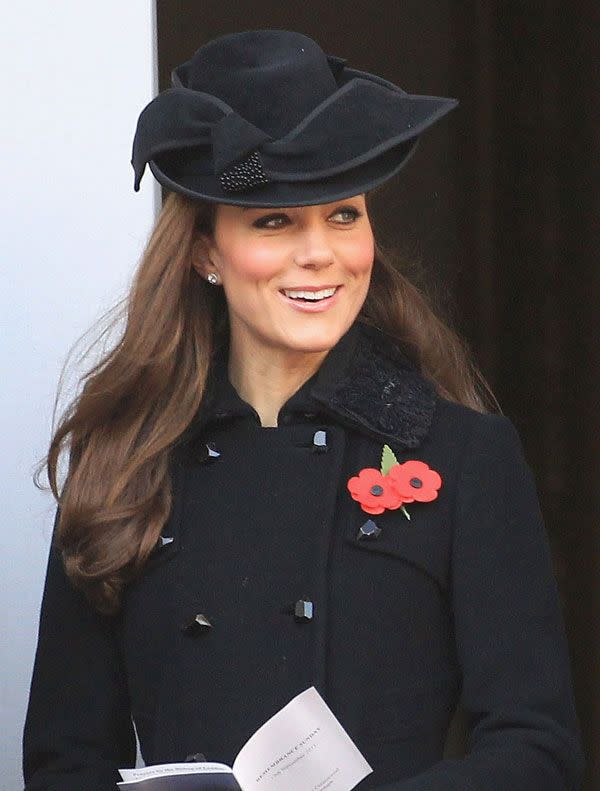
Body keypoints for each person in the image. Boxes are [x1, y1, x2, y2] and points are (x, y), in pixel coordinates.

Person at [22, 28, 585, 791]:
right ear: (204, 252)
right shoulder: (122, 464)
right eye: (274, 221)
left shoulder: (466, 456)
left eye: (343, 215)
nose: (319, 252)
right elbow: (63, 760)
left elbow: (535, 749)